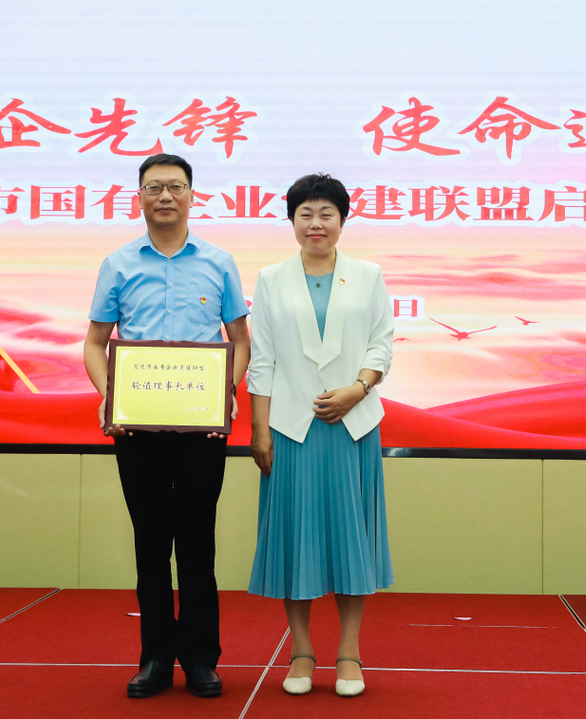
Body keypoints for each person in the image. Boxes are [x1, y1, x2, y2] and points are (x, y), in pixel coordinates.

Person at [83, 153, 250, 699]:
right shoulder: (118, 264)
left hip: (202, 430)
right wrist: (111, 397)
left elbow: (240, 340)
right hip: (138, 431)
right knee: (150, 545)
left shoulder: (219, 263)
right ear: (139, 197)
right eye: (154, 187)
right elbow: (95, 342)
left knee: (198, 544)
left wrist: (226, 392)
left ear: (192, 196)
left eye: (175, 186)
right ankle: (155, 658)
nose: (165, 197)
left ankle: (200, 658)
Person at [246, 173, 394, 698]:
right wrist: (259, 428)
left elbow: (382, 344)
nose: (316, 223)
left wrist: (358, 389)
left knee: (351, 541)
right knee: (296, 542)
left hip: (352, 426)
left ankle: (349, 652)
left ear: (342, 220)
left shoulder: (368, 275)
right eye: (305, 214)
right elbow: (262, 359)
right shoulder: (271, 279)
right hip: (291, 428)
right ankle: (302, 651)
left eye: (326, 213)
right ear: (291, 220)